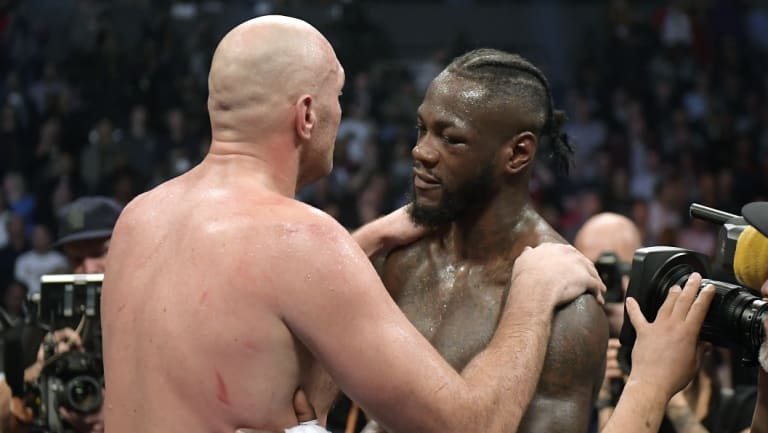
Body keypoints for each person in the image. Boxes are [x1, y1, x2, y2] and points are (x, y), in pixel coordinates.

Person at [100, 16, 607, 433]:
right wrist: (532, 300)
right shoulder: (301, 242)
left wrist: (363, 240)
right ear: (306, 115)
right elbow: (469, 428)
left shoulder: (138, 220)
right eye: (337, 97)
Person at [356, 48, 609, 433]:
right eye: (421, 129)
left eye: (451, 139)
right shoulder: (400, 260)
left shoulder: (565, 311)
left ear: (518, 153)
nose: (421, 151)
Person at [575, 212, 758, 433]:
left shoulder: (740, 405)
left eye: (620, 270)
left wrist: (661, 384)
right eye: (594, 272)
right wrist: (604, 402)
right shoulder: (571, 385)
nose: (606, 285)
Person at [3, 196, 121, 433]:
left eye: (99, 254)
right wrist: (39, 370)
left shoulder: (152, 316)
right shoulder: (45, 324)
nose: (88, 269)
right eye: (77, 259)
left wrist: (118, 420)